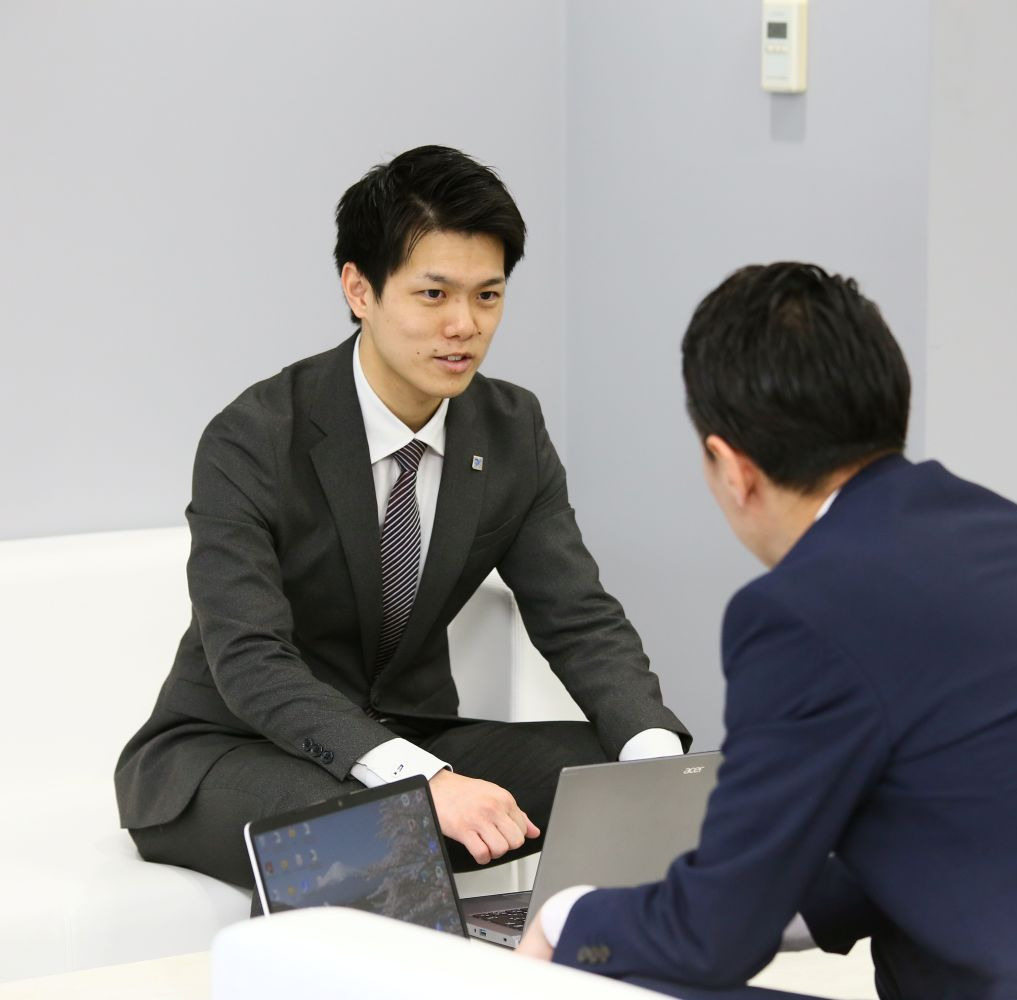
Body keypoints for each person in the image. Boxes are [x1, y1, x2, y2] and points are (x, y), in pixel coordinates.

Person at [519, 263, 1017, 998]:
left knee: (607, 976)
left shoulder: (799, 610)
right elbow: (958, 820)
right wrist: (776, 894)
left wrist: (568, 917)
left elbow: (709, 937)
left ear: (731, 466)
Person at [115, 145, 689, 888]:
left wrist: (655, 762)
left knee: (625, 778)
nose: (464, 325)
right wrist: (423, 781)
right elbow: (251, 659)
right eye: (433, 294)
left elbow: (578, 617)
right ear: (360, 289)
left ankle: (566, 947)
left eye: (488, 296)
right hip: (228, 751)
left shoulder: (510, 429)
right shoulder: (254, 437)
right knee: (374, 827)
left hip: (412, 736)